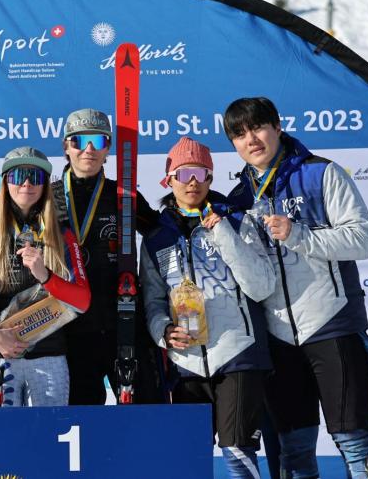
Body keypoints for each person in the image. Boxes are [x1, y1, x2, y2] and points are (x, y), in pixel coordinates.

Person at [224, 96, 368, 478]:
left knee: (356, 443)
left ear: (278, 127)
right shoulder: (238, 200)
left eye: (258, 127)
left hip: (332, 327)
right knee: (292, 454)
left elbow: (362, 240)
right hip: (277, 340)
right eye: (239, 133)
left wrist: (299, 235)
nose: (251, 139)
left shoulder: (322, 173)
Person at [139, 136, 275, 478]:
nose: (194, 182)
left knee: (237, 453)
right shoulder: (156, 238)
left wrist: (224, 234)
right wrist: (163, 331)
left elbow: (260, 286)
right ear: (168, 181)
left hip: (238, 355)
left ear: (212, 178)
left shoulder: (237, 221)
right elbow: (153, 301)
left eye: (201, 173)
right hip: (186, 366)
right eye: (184, 175)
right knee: (190, 459)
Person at [0, 146, 90, 407]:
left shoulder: (62, 234)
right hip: (0, 355)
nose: (27, 183)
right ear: (5, 183)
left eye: (35, 177)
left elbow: (82, 301)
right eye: (18, 176)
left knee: (49, 439)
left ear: (45, 185)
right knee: (1, 442)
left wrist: (46, 276)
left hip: (49, 356)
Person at [51, 108, 162, 405]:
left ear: (108, 149)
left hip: (123, 324)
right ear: (66, 146)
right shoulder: (47, 198)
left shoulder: (122, 195)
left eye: (98, 142)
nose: (88, 150)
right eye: (79, 141)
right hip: (70, 328)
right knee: (83, 424)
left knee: (145, 414)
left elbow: (163, 233)